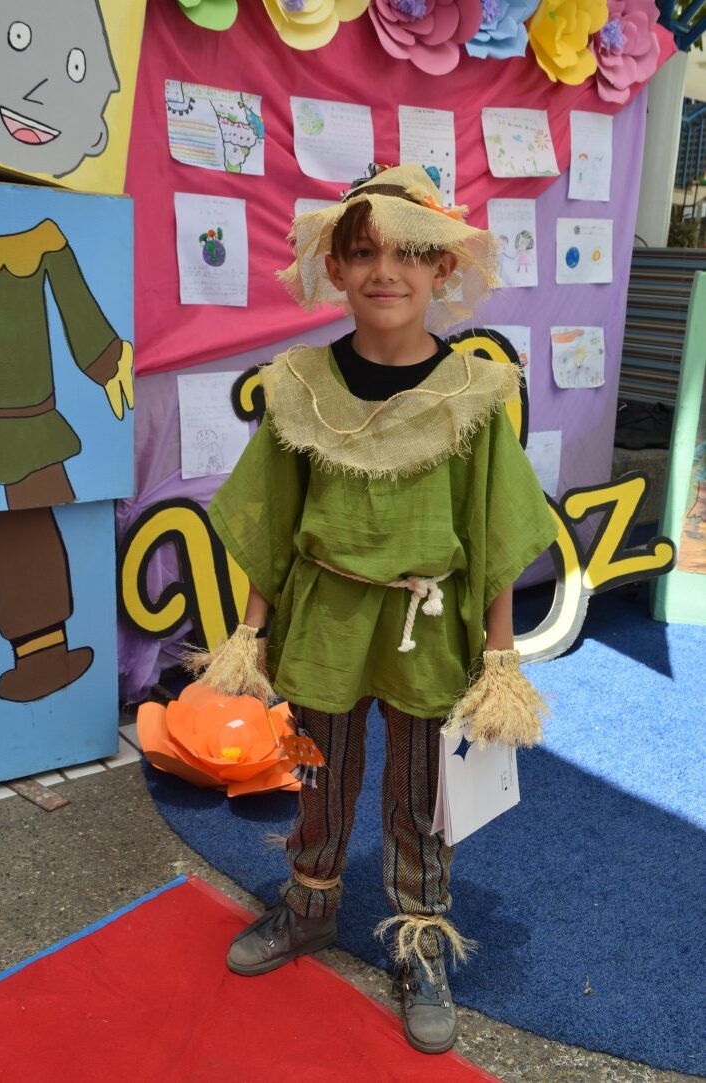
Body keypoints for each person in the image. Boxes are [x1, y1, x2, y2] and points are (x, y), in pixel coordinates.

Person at [191, 164, 557, 1055]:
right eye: (361, 254)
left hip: (424, 626)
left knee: (421, 789)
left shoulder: (472, 392)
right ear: (336, 268)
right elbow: (273, 521)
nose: (384, 272)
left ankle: (420, 934)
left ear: (440, 268)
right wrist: (251, 629)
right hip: (323, 617)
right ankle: (309, 902)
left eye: (407, 254)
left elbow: (493, 530)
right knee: (315, 768)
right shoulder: (299, 383)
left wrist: (499, 656)